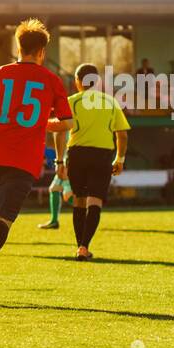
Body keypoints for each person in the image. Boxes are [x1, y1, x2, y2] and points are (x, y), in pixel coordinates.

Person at [0, 19, 74, 303]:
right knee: (4, 220)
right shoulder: (51, 80)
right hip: (24, 159)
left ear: (18, 47)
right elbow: (67, 122)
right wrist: (41, 124)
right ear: (42, 52)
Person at [55, 63, 130, 260]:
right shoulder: (109, 102)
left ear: (77, 82)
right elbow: (122, 135)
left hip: (77, 154)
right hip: (102, 155)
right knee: (95, 200)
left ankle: (80, 246)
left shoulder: (71, 101)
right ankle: (84, 246)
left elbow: (60, 130)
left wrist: (59, 161)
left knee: (79, 200)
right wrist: (119, 159)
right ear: (97, 82)